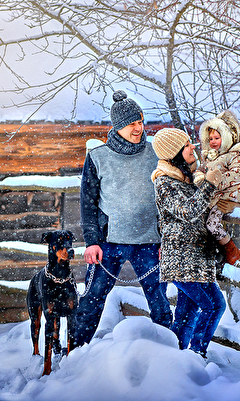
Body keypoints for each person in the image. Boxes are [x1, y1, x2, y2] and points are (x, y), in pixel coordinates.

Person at [72, 91, 172, 349]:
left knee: (160, 303)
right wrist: (92, 242)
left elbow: (171, 197)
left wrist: (167, 239)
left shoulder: (156, 154)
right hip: (108, 243)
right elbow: (88, 204)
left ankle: (170, 356)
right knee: (91, 300)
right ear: (117, 126)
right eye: (131, 124)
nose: (138, 128)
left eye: (140, 121)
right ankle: (74, 353)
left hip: (150, 242)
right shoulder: (98, 157)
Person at [151, 127, 226, 359]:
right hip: (182, 261)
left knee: (187, 313)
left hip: (197, 259)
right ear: (174, 152)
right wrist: (209, 185)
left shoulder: (188, 178)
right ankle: (196, 355)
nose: (193, 146)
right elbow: (188, 211)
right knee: (214, 305)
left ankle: (174, 359)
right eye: (186, 145)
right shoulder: (164, 183)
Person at [192, 110, 240, 267]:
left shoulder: (237, 152)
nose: (213, 142)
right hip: (214, 197)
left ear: (227, 136)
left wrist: (213, 182)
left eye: (217, 138)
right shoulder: (211, 155)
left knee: (212, 224)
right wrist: (199, 177)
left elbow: (236, 174)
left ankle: (233, 251)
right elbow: (201, 170)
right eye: (210, 139)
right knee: (198, 219)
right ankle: (212, 254)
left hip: (230, 197)